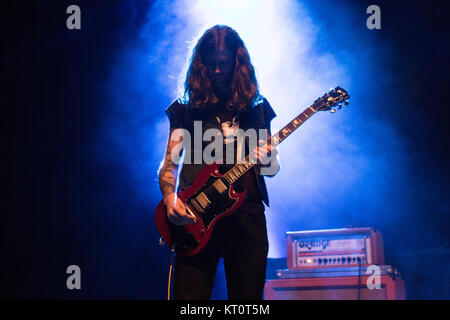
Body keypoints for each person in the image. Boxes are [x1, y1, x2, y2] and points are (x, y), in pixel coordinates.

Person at [158, 25, 280, 300]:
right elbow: (169, 164)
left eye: (222, 64)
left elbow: (271, 170)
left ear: (237, 64)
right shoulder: (186, 109)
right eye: (209, 64)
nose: (215, 71)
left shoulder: (257, 108)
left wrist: (269, 158)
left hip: (247, 218)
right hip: (195, 217)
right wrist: (169, 199)